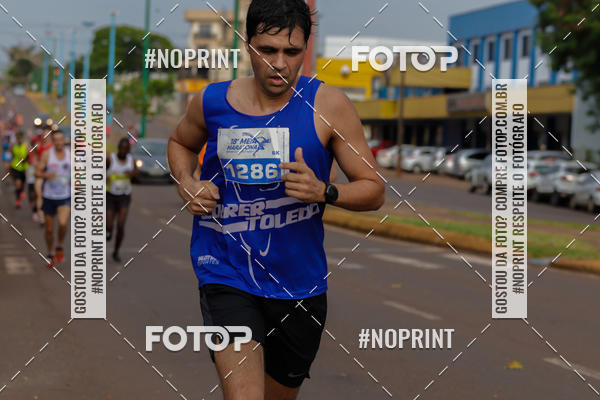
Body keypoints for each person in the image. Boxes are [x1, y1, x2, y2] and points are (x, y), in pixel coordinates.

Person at [167, 1, 385, 399]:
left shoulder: (328, 105)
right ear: (248, 45)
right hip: (226, 272)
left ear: (305, 49)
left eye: (291, 51)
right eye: (267, 50)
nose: (279, 64)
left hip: (299, 287)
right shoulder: (211, 102)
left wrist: (325, 191)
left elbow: (373, 189)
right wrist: (187, 180)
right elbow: (181, 143)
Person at [35, 130, 70, 268]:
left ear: (64, 140)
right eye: (56, 140)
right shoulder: (47, 154)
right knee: (49, 229)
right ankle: (50, 253)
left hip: (64, 196)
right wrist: (46, 175)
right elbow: (37, 172)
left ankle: (59, 245)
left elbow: (77, 174)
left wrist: (77, 182)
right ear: (53, 142)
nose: (59, 142)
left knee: (62, 224)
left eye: (61, 139)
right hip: (49, 196)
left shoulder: (71, 155)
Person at [106, 137, 137, 262]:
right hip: (110, 195)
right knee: (109, 224)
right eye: (122, 148)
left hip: (124, 196)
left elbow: (137, 174)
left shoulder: (131, 160)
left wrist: (132, 174)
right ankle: (108, 231)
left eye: (126, 149)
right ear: (118, 148)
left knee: (120, 224)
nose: (123, 150)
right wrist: (105, 178)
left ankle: (116, 251)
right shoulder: (110, 159)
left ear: (128, 150)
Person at [10, 131, 29, 209]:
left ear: (22, 138)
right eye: (18, 138)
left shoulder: (26, 146)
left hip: (24, 168)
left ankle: (22, 191)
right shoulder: (14, 146)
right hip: (16, 167)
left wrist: (24, 159)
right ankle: (17, 201)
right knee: (18, 183)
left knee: (22, 183)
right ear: (16, 139)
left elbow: (29, 156)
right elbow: (12, 155)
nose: (19, 140)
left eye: (20, 138)